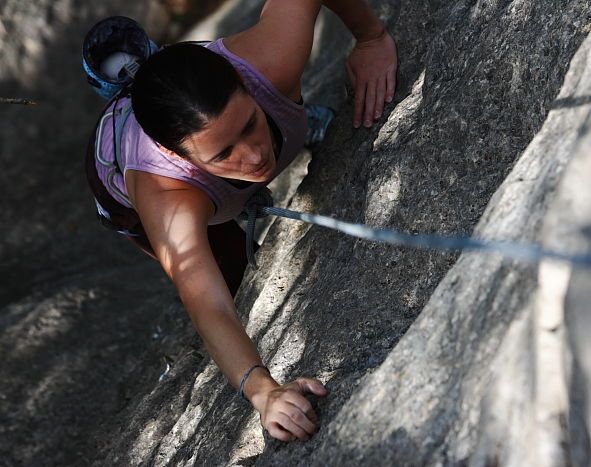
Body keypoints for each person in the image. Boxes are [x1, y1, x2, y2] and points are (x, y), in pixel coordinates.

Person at [85, 0, 397, 442]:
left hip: (208, 108)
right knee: (228, 276)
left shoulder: (269, 61)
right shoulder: (167, 197)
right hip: (117, 186)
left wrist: (371, 38)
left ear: (245, 82)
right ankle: (254, 159)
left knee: (276, 119)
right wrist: (263, 392)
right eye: (223, 153)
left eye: (249, 124)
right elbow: (205, 301)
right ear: (180, 158)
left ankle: (290, 128)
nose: (254, 156)